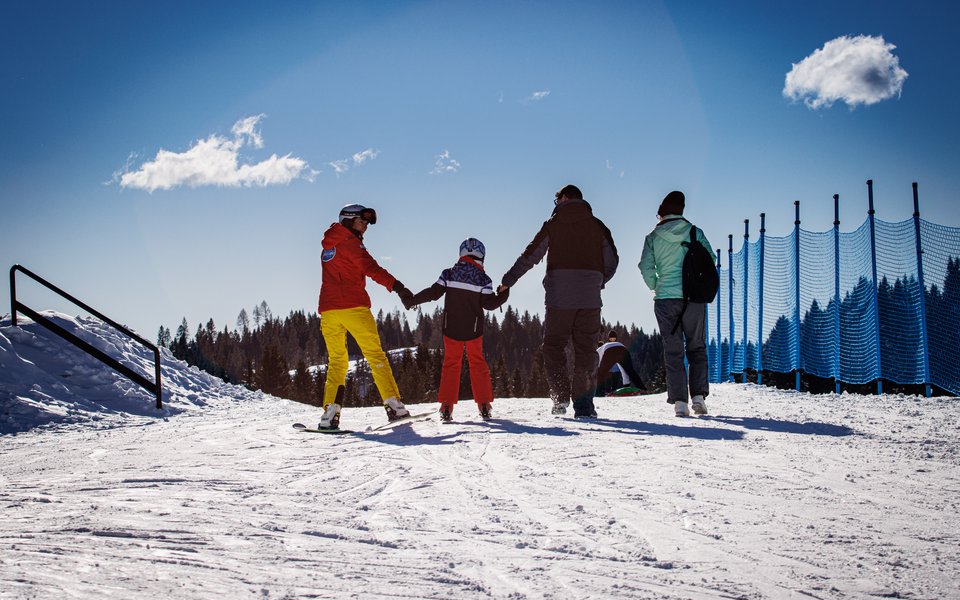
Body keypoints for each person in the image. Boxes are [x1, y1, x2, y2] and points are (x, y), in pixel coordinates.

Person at [498, 184, 619, 418]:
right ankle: (584, 407)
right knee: (586, 351)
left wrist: (507, 281)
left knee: (553, 346)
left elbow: (530, 256)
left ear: (564, 198)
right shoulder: (598, 226)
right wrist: (597, 281)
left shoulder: (553, 224)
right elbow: (612, 261)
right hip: (589, 298)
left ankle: (561, 397)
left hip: (559, 298)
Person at [316, 203, 415, 429]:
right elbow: (372, 269)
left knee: (337, 362)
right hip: (354, 308)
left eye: (367, 223)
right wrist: (399, 287)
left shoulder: (328, 245)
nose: (365, 227)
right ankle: (394, 406)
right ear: (349, 221)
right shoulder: (351, 243)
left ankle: (330, 414)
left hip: (329, 312)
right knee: (375, 356)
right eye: (362, 222)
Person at [403, 238, 509, 422]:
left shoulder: (449, 274)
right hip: (474, 330)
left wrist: (413, 300)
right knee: (477, 364)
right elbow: (490, 304)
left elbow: (433, 293)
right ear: (481, 256)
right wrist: (504, 293)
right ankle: (484, 404)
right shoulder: (483, 279)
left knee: (451, 365)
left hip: (451, 328)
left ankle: (446, 407)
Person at [638, 191, 715, 417]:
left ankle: (680, 403)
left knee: (673, 351)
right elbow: (711, 260)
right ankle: (698, 397)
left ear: (662, 213)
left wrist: (656, 286)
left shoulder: (652, 237)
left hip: (665, 300)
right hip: (694, 298)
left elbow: (645, 266)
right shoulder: (694, 232)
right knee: (696, 347)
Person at [596, 330, 647, 396]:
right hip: (623, 349)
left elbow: (599, 368)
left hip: (609, 350)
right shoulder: (610, 345)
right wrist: (626, 384)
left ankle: (599, 394)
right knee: (630, 371)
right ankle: (643, 389)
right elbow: (623, 368)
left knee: (600, 373)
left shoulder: (598, 351)